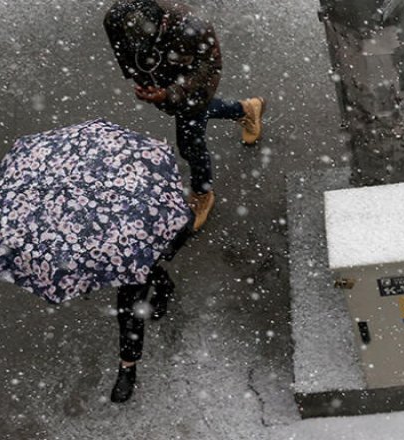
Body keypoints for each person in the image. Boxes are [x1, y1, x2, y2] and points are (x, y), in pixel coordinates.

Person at [104, 0, 265, 403]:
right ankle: (247, 109)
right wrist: (142, 83)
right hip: (169, 79)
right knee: (194, 118)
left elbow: (208, 74)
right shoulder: (117, 21)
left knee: (190, 137)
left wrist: (171, 91)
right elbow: (124, 53)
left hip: (190, 80)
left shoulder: (192, 27)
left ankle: (203, 191)